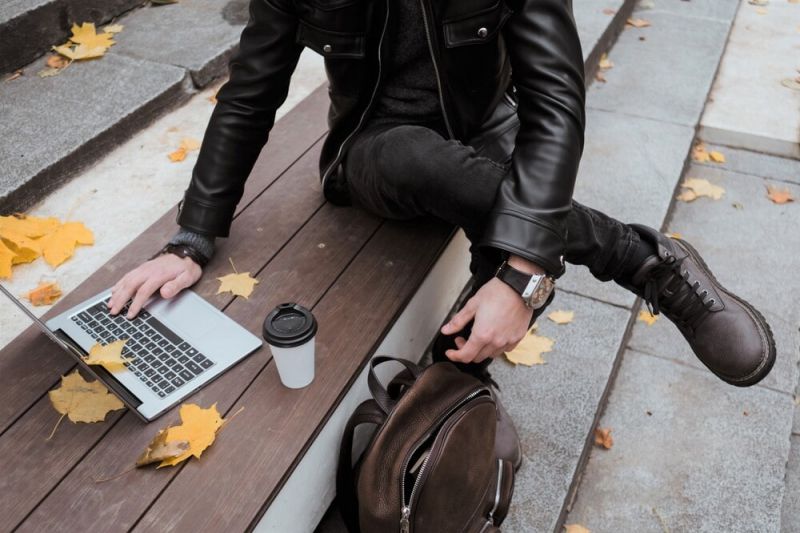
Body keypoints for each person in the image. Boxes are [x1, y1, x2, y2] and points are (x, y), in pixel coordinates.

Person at [108, 0, 775, 469]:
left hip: (487, 126)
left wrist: (516, 274)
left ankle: (456, 406)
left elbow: (555, 103)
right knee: (438, 168)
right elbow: (251, 91)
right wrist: (193, 236)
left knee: (503, 217)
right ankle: (636, 256)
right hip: (371, 148)